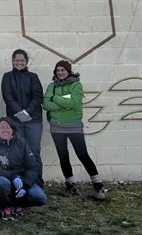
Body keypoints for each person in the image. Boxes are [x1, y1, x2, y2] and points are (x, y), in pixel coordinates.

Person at [44, 60, 106, 200]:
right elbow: (46, 105)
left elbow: (75, 102)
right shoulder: (51, 86)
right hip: (56, 127)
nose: (60, 73)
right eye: (58, 70)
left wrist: (56, 99)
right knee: (63, 156)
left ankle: (98, 185)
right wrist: (63, 103)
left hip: (74, 126)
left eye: (63, 70)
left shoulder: (76, 85)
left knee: (82, 154)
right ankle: (70, 185)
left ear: (68, 71)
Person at [0, 117, 47, 221]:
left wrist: (26, 185)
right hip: (3, 179)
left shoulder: (22, 143)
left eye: (8, 127)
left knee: (40, 197)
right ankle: (5, 206)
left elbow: (33, 166)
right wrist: (13, 176)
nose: (5, 130)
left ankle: (18, 203)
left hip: (22, 180)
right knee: (1, 183)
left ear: (13, 129)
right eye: (2, 127)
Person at [0, 49, 44, 183]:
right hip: (15, 120)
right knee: (18, 151)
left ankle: (37, 182)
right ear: (13, 61)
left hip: (33, 120)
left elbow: (38, 96)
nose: (19, 62)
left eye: (22, 60)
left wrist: (26, 112)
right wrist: (20, 113)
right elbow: (7, 96)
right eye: (16, 60)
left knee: (34, 151)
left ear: (26, 62)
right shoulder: (7, 76)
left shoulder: (33, 77)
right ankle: (21, 182)